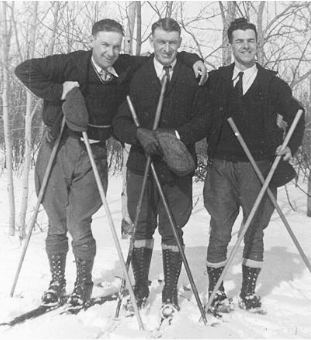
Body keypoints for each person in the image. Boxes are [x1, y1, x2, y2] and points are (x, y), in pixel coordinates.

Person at [14, 18, 207, 309]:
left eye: (116, 46)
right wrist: (60, 91)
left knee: (79, 221)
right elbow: (23, 69)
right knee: (56, 220)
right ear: (92, 41)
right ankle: (56, 282)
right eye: (104, 44)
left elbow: (167, 54)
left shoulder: (128, 66)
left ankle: (82, 282)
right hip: (59, 145)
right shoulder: (71, 64)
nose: (110, 51)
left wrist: (194, 58)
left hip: (95, 151)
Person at [202, 18, 305, 314]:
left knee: (255, 230)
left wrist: (290, 146)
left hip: (257, 167)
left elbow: (298, 114)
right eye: (239, 41)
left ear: (257, 43)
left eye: (250, 40)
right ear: (230, 45)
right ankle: (216, 290)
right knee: (219, 227)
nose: (245, 46)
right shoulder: (217, 79)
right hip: (221, 165)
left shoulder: (273, 83)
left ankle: (248, 292)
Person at [113, 18, 209, 317]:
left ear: (179, 43)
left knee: (173, 227)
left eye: (172, 42)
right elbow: (119, 121)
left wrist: (175, 138)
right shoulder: (135, 74)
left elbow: (205, 119)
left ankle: (169, 291)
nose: (167, 48)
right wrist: (137, 134)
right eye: (160, 42)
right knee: (141, 227)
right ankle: (140, 288)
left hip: (176, 166)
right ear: (151, 42)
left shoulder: (191, 75)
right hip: (142, 164)